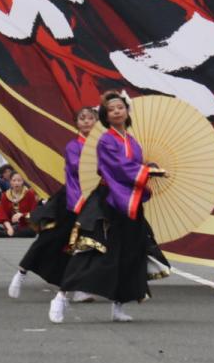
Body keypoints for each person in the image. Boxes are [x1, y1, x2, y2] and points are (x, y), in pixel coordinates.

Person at [51, 91, 167, 323]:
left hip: (129, 202)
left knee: (130, 252)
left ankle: (118, 306)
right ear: (105, 115)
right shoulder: (106, 140)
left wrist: (149, 167)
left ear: (127, 111)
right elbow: (118, 167)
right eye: (111, 109)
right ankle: (61, 296)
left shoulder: (132, 141)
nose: (116, 112)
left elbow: (133, 165)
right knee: (92, 250)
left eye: (120, 107)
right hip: (108, 202)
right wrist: (145, 171)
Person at [9, 106, 97, 297]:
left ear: (97, 122)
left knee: (87, 243)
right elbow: (78, 167)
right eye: (82, 118)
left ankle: (79, 286)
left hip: (94, 200)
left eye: (90, 118)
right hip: (71, 198)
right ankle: (22, 271)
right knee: (50, 238)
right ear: (77, 123)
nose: (86, 121)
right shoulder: (74, 146)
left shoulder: (102, 146)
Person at [0, 172, 38, 237]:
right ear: (10, 182)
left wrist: (22, 215)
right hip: (8, 224)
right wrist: (9, 228)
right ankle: (8, 233)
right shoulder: (6, 195)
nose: (16, 183)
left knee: (31, 231)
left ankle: (5, 234)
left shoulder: (29, 194)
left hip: (24, 224)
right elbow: (3, 214)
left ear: (23, 181)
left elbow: (34, 213)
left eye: (19, 180)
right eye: (14, 180)